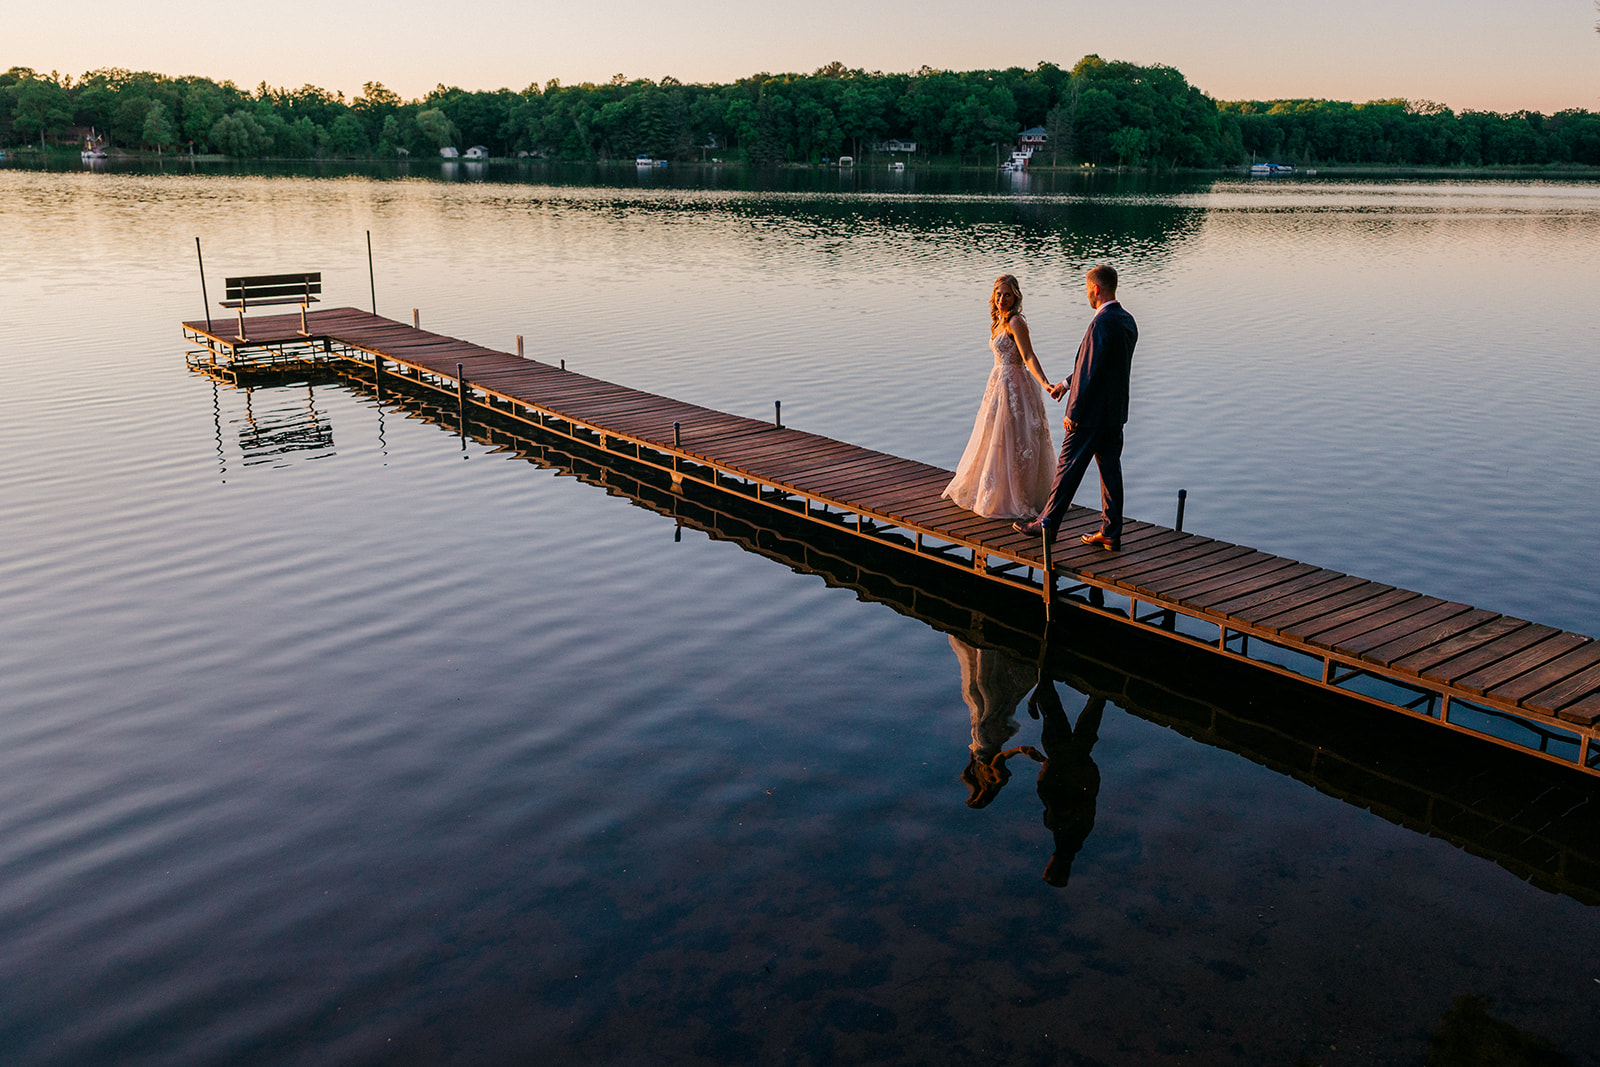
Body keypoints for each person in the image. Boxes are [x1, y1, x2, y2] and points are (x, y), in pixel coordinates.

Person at [1014, 265, 1137, 550]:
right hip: (1114, 414)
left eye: (1087, 289)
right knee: (1110, 471)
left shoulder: (1100, 323)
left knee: (1066, 467)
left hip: (1090, 415)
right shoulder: (1127, 320)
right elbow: (1100, 367)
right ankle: (1110, 531)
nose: (1086, 295)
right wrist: (1066, 384)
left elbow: (1092, 371)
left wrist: (1073, 413)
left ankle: (1045, 526)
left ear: (1097, 289)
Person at [941, 275, 1062, 520]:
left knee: (1014, 439)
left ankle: (1019, 496)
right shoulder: (996, 322)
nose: (1001, 299)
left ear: (1016, 296)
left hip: (1015, 386)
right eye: (998, 294)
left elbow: (1028, 356)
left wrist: (1046, 384)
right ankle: (994, 490)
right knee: (993, 437)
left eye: (1007, 294)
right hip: (997, 383)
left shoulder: (1016, 322)